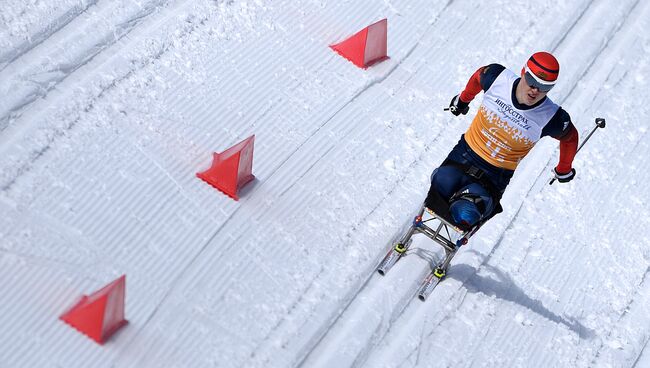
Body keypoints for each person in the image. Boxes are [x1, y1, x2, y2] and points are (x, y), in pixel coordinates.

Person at [425, 51, 579, 230]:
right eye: (532, 80)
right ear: (523, 71)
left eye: (544, 86)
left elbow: (570, 137)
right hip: (464, 155)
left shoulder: (551, 116)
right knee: (441, 182)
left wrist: (564, 169)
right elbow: (478, 76)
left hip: (495, 176)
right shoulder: (497, 78)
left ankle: (466, 206)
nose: (535, 90)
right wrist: (463, 99)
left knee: (466, 213)